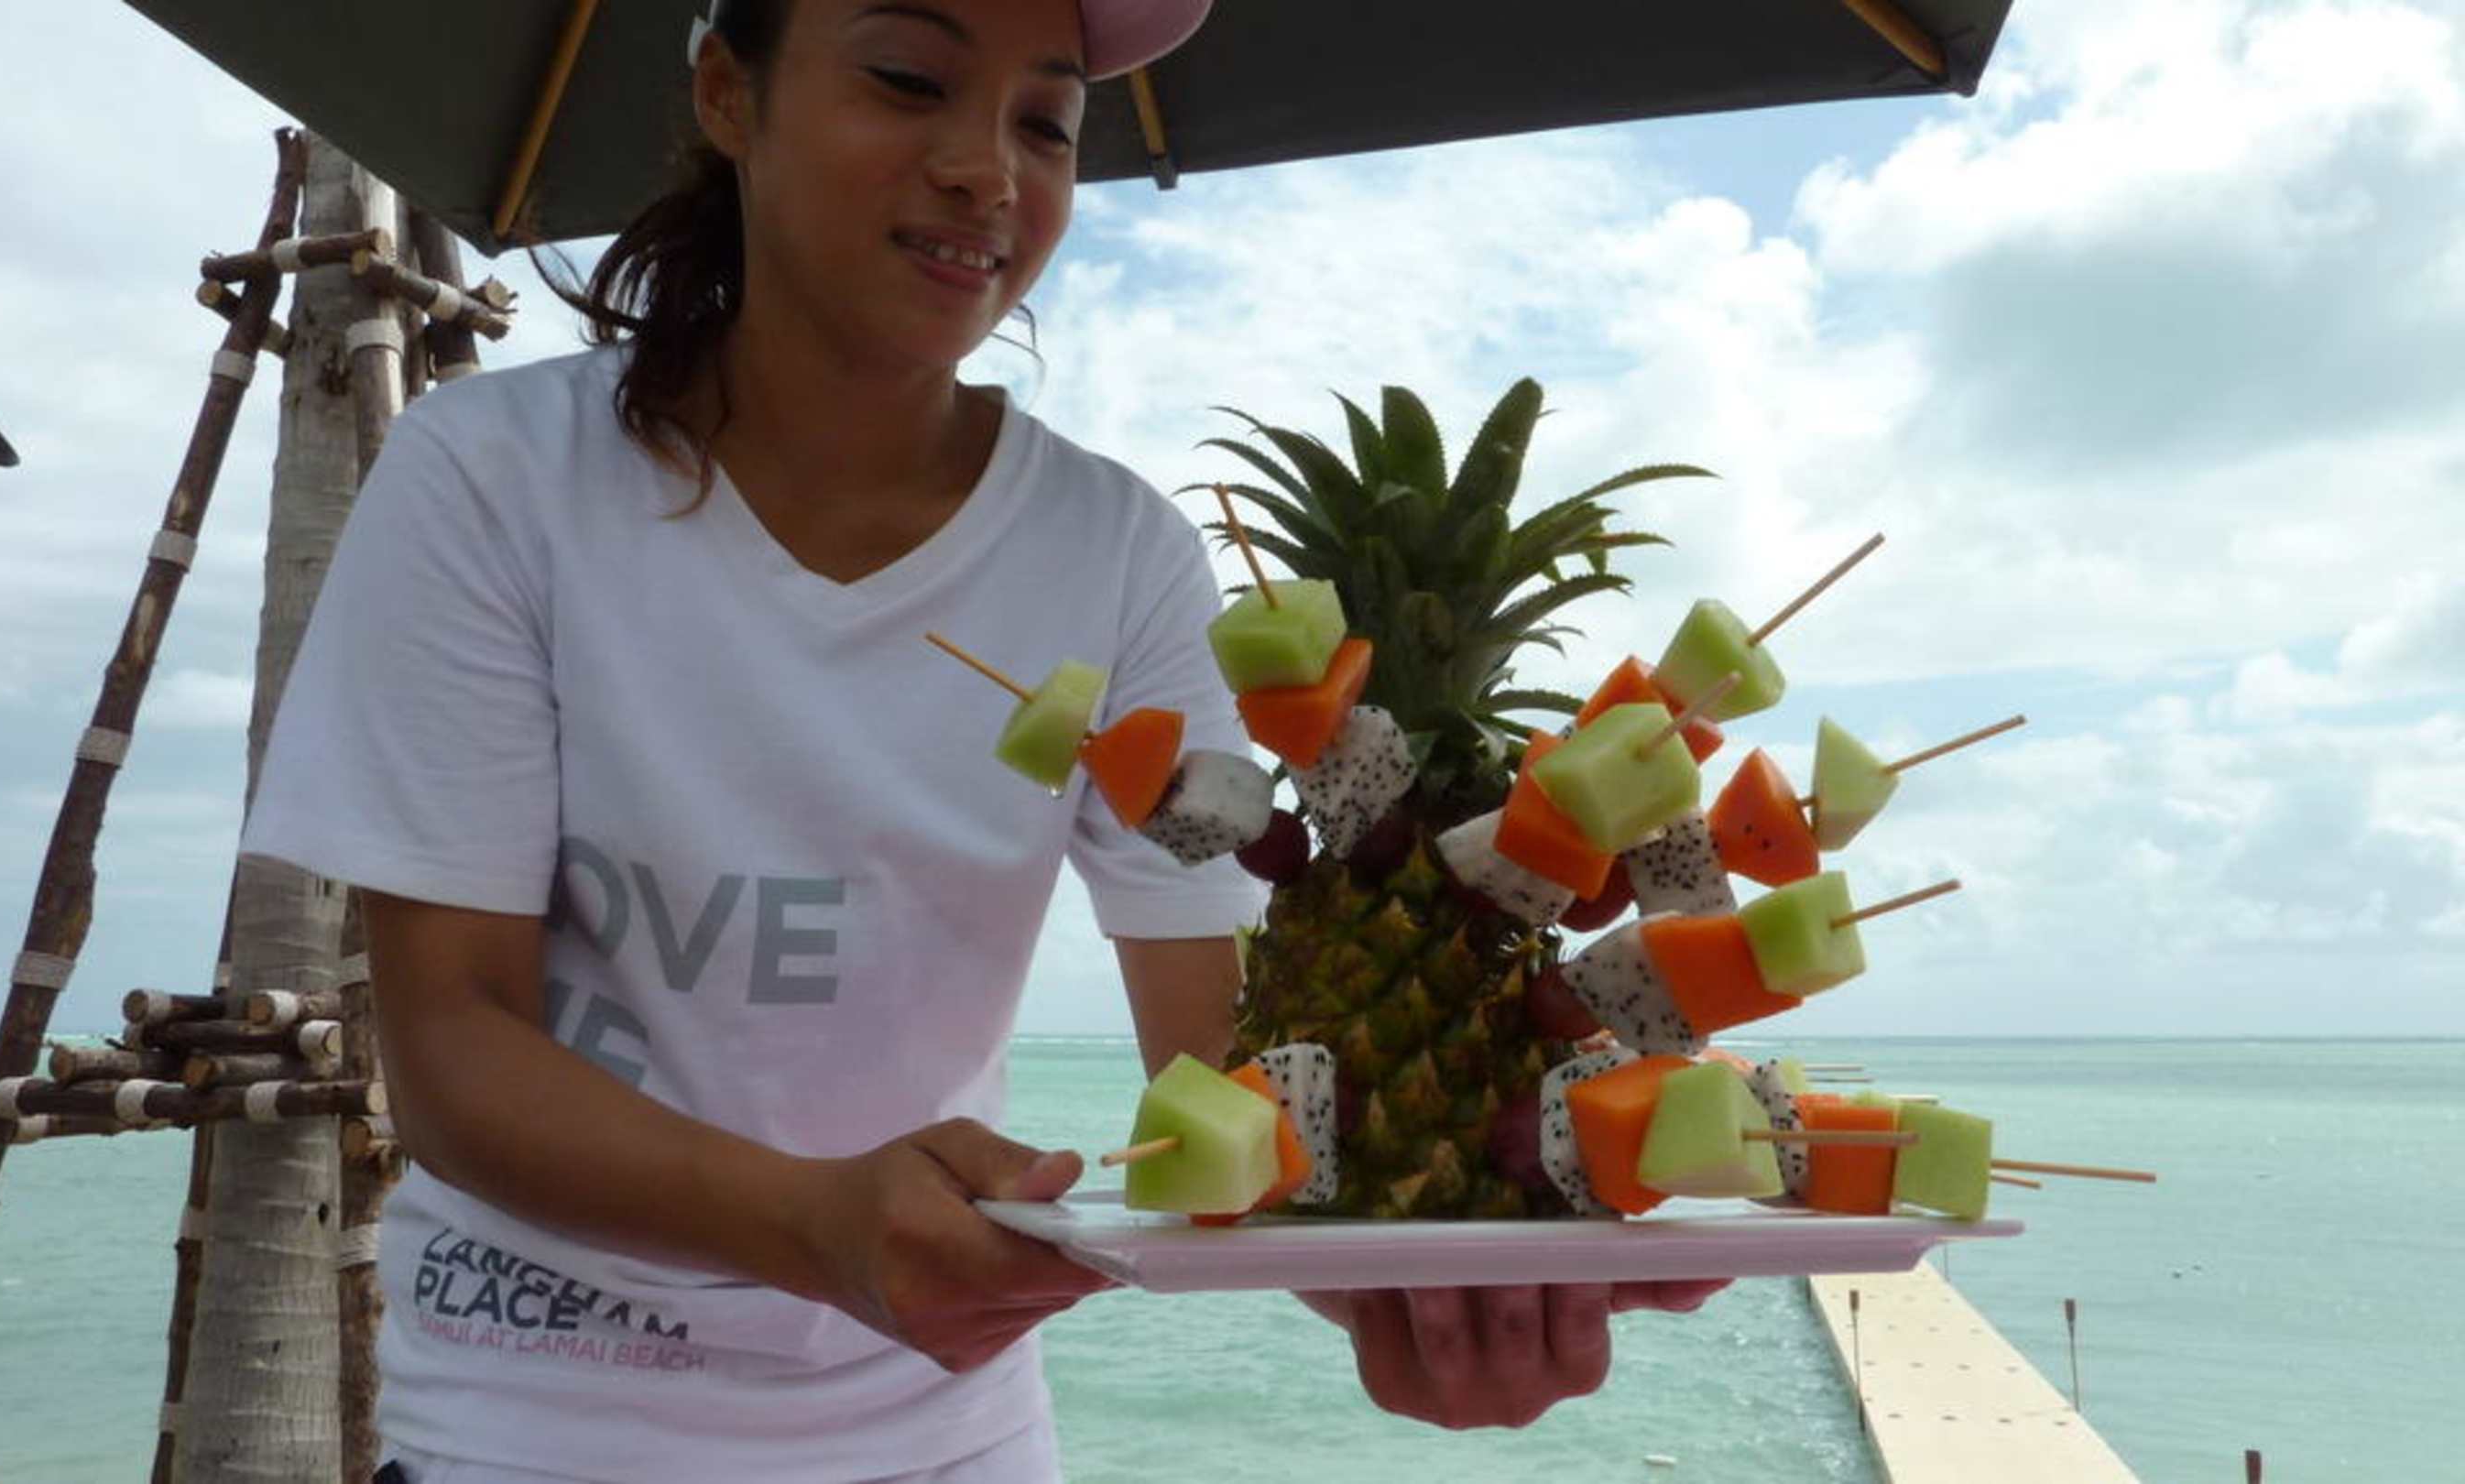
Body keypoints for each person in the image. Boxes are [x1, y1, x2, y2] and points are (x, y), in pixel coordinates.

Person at [242, 1, 1725, 1479]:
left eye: (1046, 123)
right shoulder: (494, 479)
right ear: (730, 94)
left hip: (952, 1437)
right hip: (537, 1426)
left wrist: (1409, 1281)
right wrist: (815, 1223)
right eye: (908, 79)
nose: (987, 171)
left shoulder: (1115, 551)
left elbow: (1226, 1074)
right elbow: (454, 1049)